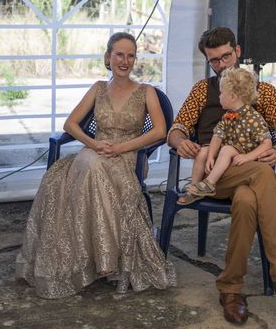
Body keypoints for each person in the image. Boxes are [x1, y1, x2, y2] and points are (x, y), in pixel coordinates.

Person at [168, 27, 276, 324]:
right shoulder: (202, 90)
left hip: (247, 173)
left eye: (226, 56)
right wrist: (181, 142)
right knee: (263, 175)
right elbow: (177, 128)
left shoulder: (263, 90)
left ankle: (230, 289)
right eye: (214, 60)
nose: (222, 65)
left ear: (238, 51)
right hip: (212, 179)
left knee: (246, 199)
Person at [16, 32, 176, 299]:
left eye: (130, 55)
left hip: (128, 156)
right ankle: (91, 259)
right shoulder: (98, 88)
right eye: (119, 54)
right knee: (76, 171)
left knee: (92, 167)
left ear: (135, 59)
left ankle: (106, 258)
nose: (125, 60)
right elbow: (70, 124)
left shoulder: (146, 91)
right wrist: (93, 143)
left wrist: (122, 147)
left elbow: (160, 131)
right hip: (95, 151)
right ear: (108, 57)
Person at [178, 67, 272, 204]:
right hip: (228, 151)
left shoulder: (254, 118)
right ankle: (194, 188)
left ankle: (209, 184)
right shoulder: (227, 116)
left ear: (233, 97)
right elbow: (217, 135)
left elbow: (267, 143)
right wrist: (210, 155)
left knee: (227, 149)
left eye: (221, 93)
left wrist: (247, 157)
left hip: (245, 156)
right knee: (203, 150)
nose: (219, 96)